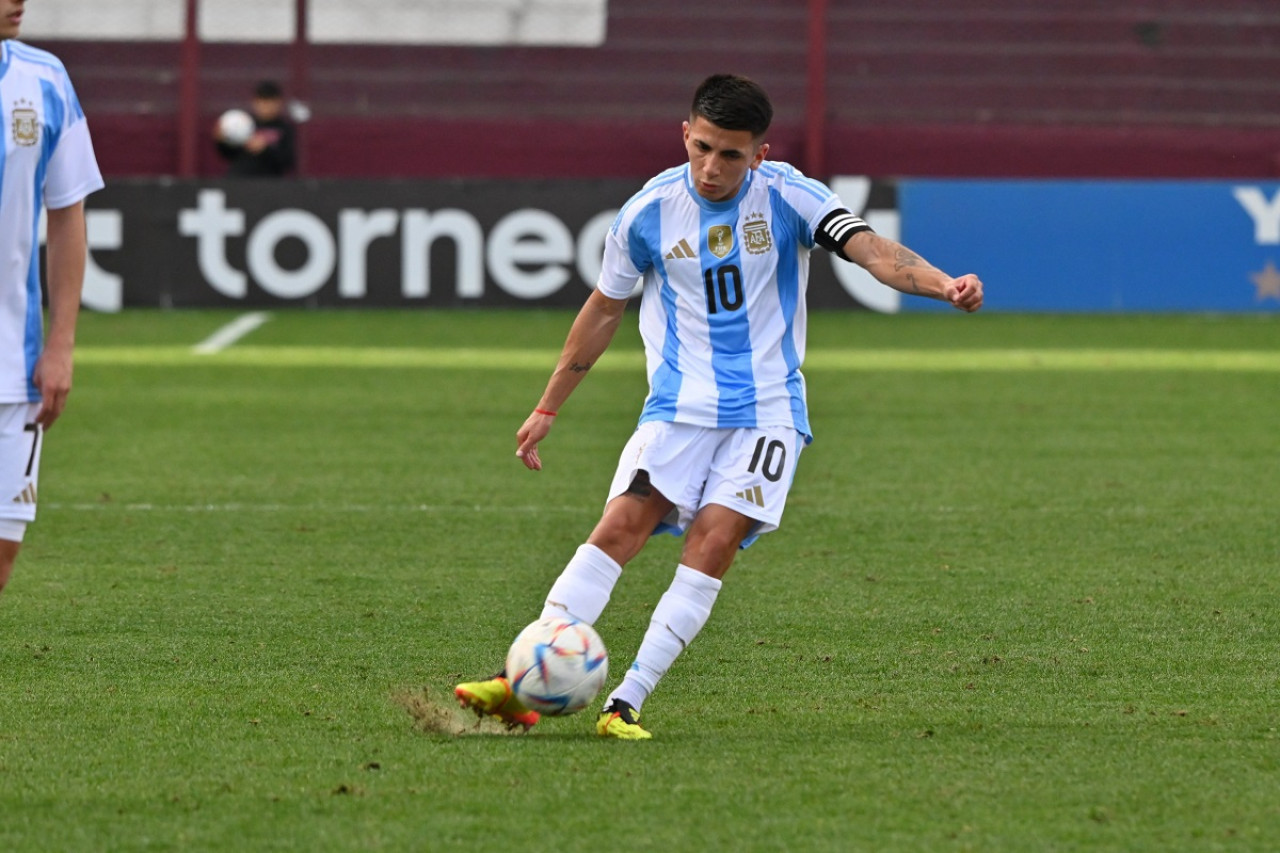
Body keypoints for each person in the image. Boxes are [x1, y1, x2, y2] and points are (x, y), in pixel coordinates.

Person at [456, 73, 983, 739]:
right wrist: (549, 405)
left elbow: (870, 250)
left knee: (714, 539)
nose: (711, 166)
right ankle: (518, 685)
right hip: (678, 405)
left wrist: (943, 284)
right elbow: (603, 308)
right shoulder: (647, 212)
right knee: (619, 525)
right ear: (685, 133)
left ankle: (625, 701)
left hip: (767, 411)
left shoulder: (789, 194)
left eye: (730, 154)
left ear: (759, 154)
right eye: (701, 147)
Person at [0, 0, 105, 596]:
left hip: (14, 368)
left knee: (3, 561)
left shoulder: (45, 79)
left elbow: (67, 216)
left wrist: (61, 343)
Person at [215, 79, 296, 177]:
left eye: (270, 102)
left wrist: (264, 149)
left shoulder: (285, 128)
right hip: (240, 180)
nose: (266, 107)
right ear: (255, 102)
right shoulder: (243, 124)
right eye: (262, 102)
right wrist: (221, 140)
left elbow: (288, 160)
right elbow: (229, 154)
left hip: (270, 184)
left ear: (279, 103)